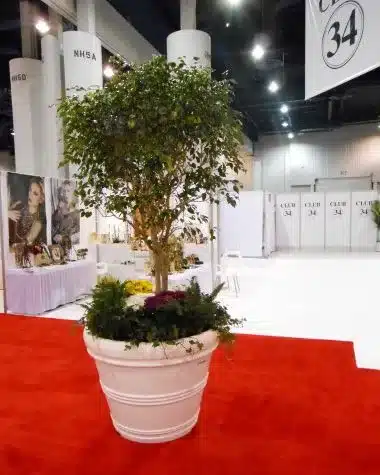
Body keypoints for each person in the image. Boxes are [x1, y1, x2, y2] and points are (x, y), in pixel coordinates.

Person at [8, 178, 46, 246]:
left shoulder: (38, 223)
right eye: (30, 190)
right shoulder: (18, 205)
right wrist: (7, 213)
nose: (30, 195)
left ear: (41, 199)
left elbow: (24, 244)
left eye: (35, 193)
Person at [52, 180, 80, 245]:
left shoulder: (77, 212)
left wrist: (64, 238)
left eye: (68, 191)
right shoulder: (58, 211)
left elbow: (80, 234)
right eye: (64, 191)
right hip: (58, 245)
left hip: (72, 245)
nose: (66, 194)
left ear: (72, 193)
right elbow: (53, 227)